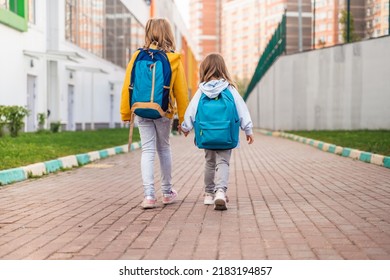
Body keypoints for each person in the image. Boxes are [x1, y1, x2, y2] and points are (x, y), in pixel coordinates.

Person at [120, 18, 189, 209]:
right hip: (163, 112)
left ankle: (149, 196)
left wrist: (126, 112)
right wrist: (184, 120)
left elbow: (127, 86)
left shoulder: (137, 56)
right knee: (164, 149)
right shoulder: (173, 59)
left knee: (147, 150)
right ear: (168, 33)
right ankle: (167, 192)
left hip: (141, 109)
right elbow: (181, 93)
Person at [180, 53, 254, 211]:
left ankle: (208, 194)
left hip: (207, 134)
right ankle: (220, 192)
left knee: (209, 162)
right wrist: (248, 129)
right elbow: (242, 110)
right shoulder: (230, 89)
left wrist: (186, 127)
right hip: (226, 134)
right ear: (223, 69)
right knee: (223, 162)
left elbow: (191, 110)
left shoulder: (201, 90)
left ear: (204, 69)